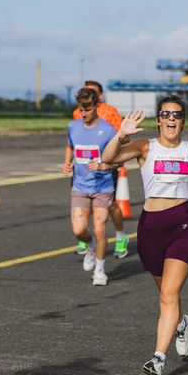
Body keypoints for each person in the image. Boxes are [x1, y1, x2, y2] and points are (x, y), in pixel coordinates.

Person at [102, 95, 188, 375]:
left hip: (183, 227)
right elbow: (108, 158)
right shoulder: (144, 148)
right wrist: (120, 135)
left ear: (183, 121)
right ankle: (181, 325)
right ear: (159, 120)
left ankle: (158, 358)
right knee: (165, 294)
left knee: (168, 295)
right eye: (166, 114)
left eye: (177, 115)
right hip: (150, 229)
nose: (171, 119)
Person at [62, 87, 118, 286]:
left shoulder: (108, 130)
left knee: (100, 228)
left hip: (103, 186)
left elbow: (118, 160)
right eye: (81, 109)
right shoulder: (73, 127)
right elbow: (70, 146)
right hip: (80, 185)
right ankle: (91, 248)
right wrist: (68, 162)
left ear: (96, 106)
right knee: (79, 231)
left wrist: (103, 165)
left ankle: (100, 272)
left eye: (87, 108)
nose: (84, 113)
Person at [71, 80, 129, 259]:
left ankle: (120, 236)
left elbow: (122, 138)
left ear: (99, 97)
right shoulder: (76, 113)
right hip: (82, 169)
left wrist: (110, 159)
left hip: (104, 168)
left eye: (92, 93)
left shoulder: (110, 113)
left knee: (110, 206)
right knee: (83, 204)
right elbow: (75, 139)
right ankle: (85, 239)